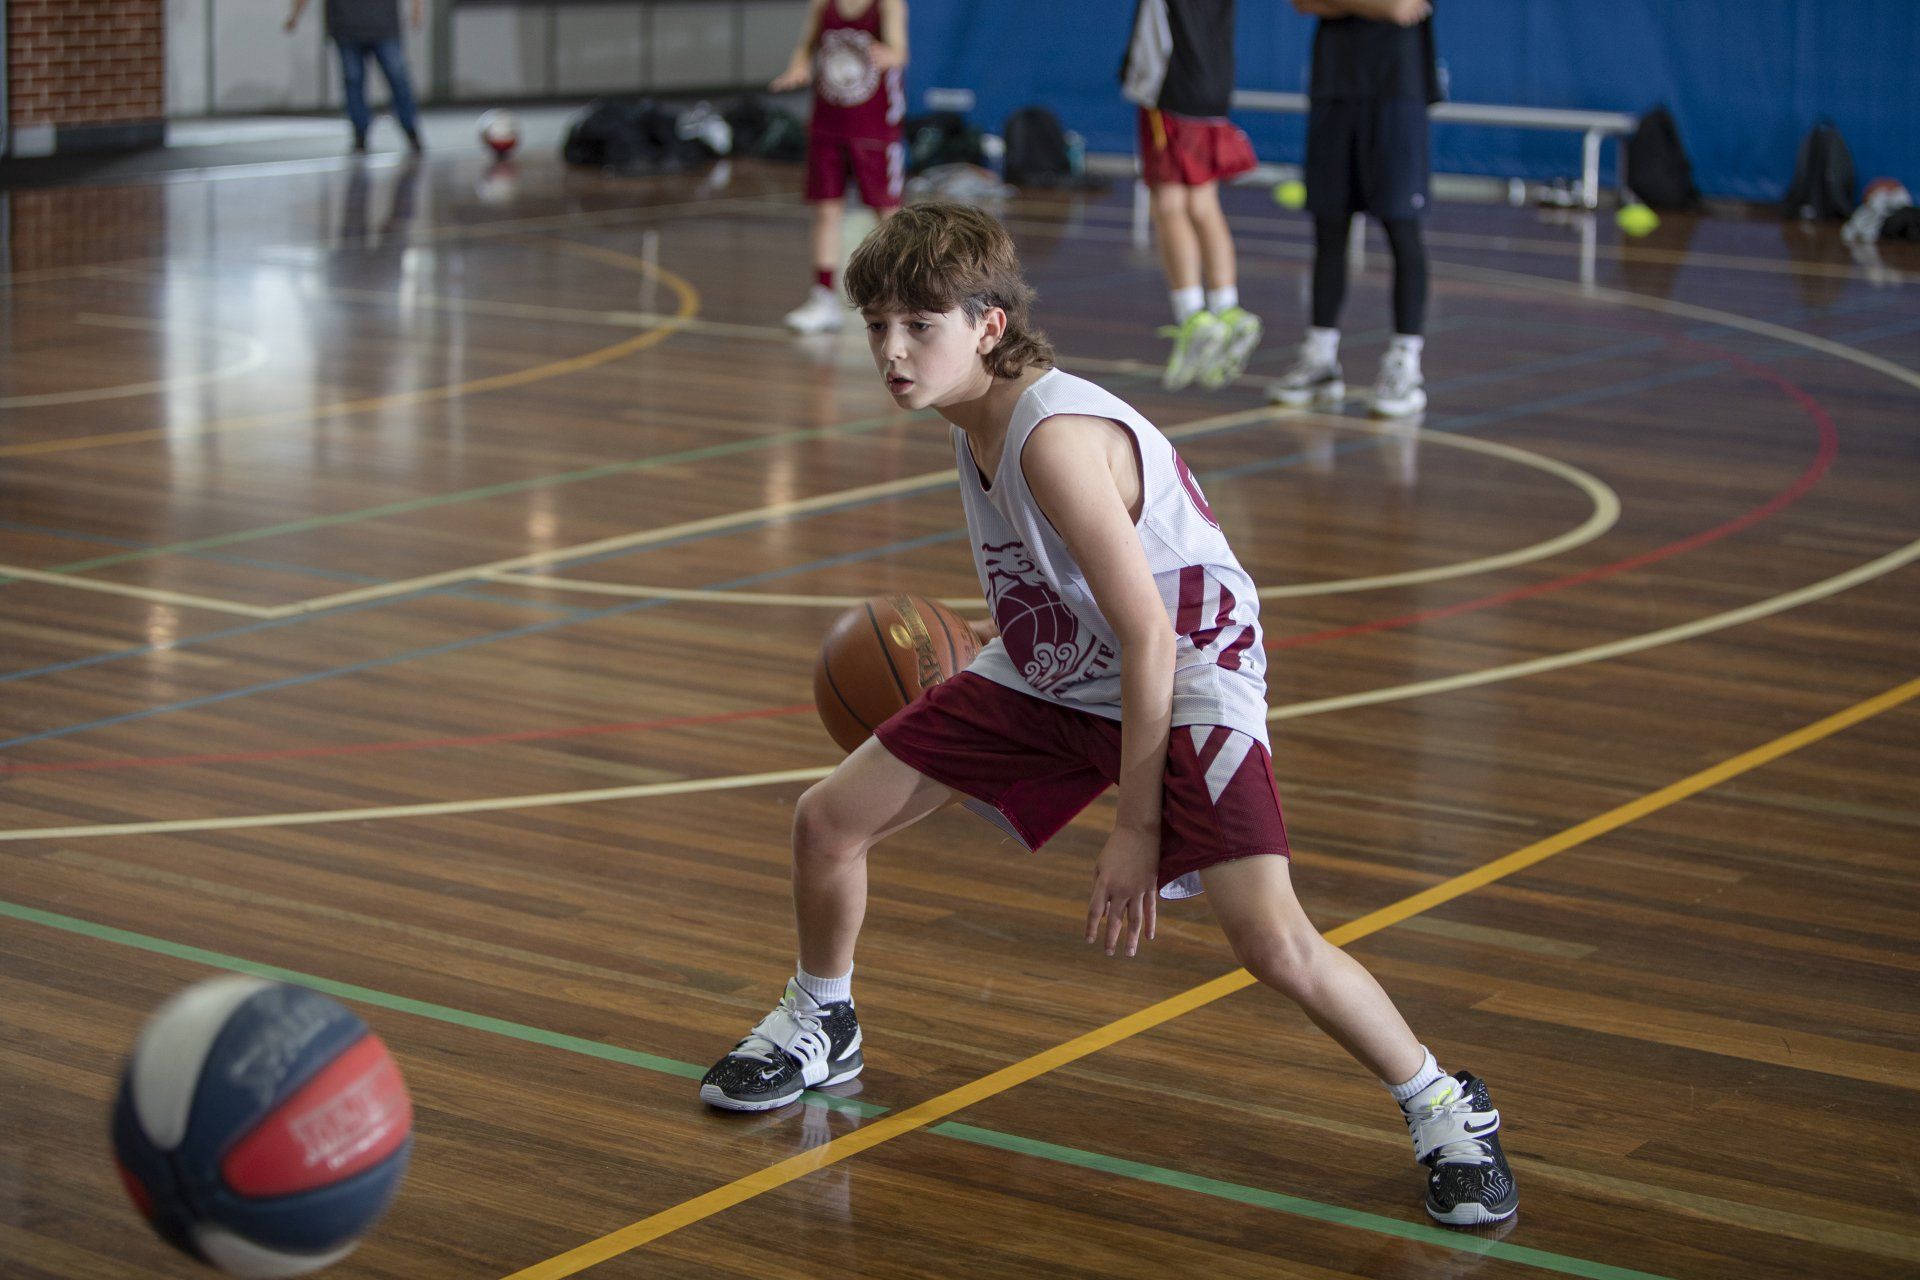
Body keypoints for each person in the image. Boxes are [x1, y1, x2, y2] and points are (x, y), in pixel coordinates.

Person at [698, 202, 1519, 1228]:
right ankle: (824, 1018)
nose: (893, 350)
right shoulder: (973, 422)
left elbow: (1150, 636)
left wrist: (1135, 830)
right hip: (1061, 656)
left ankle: (1445, 1103)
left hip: (1189, 667)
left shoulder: (1050, 436)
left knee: (1267, 935)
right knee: (828, 820)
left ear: (989, 325)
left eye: (920, 324)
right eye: (877, 326)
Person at [1270, 0, 1438, 417]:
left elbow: (1403, 8)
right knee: (1329, 232)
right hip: (1334, 88)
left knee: (1402, 231)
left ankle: (1405, 365)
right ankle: (1320, 359)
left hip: (1395, 90)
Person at [1121, 0, 1263, 390]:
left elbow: (1152, 38)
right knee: (1203, 203)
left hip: (1171, 94)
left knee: (1168, 205)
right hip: (1214, 93)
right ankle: (1227, 307)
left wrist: (1137, 85)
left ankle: (1192, 315)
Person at [771, 0, 909, 334]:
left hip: (874, 127)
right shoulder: (824, 4)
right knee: (826, 212)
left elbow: (900, 52)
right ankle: (823, 298)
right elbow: (805, 47)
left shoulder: (887, 4)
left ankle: (902, 296)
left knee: (887, 214)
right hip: (827, 125)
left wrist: (887, 54)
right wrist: (798, 67)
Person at [284, 0, 425, 155]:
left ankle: (410, 129)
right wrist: (296, 15)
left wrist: (417, 9)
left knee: (397, 78)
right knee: (354, 81)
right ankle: (360, 133)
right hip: (346, 27)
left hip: (383, 26)